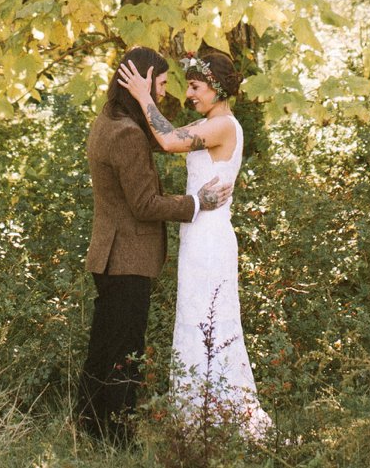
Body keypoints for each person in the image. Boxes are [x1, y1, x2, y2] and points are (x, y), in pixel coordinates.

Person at [75, 46, 231, 446]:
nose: (164, 92)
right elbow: (145, 205)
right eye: (159, 84)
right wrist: (197, 203)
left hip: (110, 252)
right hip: (127, 255)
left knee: (106, 344)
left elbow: (166, 135)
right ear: (143, 80)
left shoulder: (108, 121)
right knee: (125, 349)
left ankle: (90, 425)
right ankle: (117, 436)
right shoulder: (127, 133)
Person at [116, 48, 271, 438]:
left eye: (197, 87)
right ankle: (197, 421)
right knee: (194, 319)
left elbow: (167, 140)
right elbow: (160, 138)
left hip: (210, 240)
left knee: (211, 322)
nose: (190, 95)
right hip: (196, 236)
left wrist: (144, 94)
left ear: (217, 88)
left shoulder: (223, 126)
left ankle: (221, 420)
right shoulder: (209, 125)